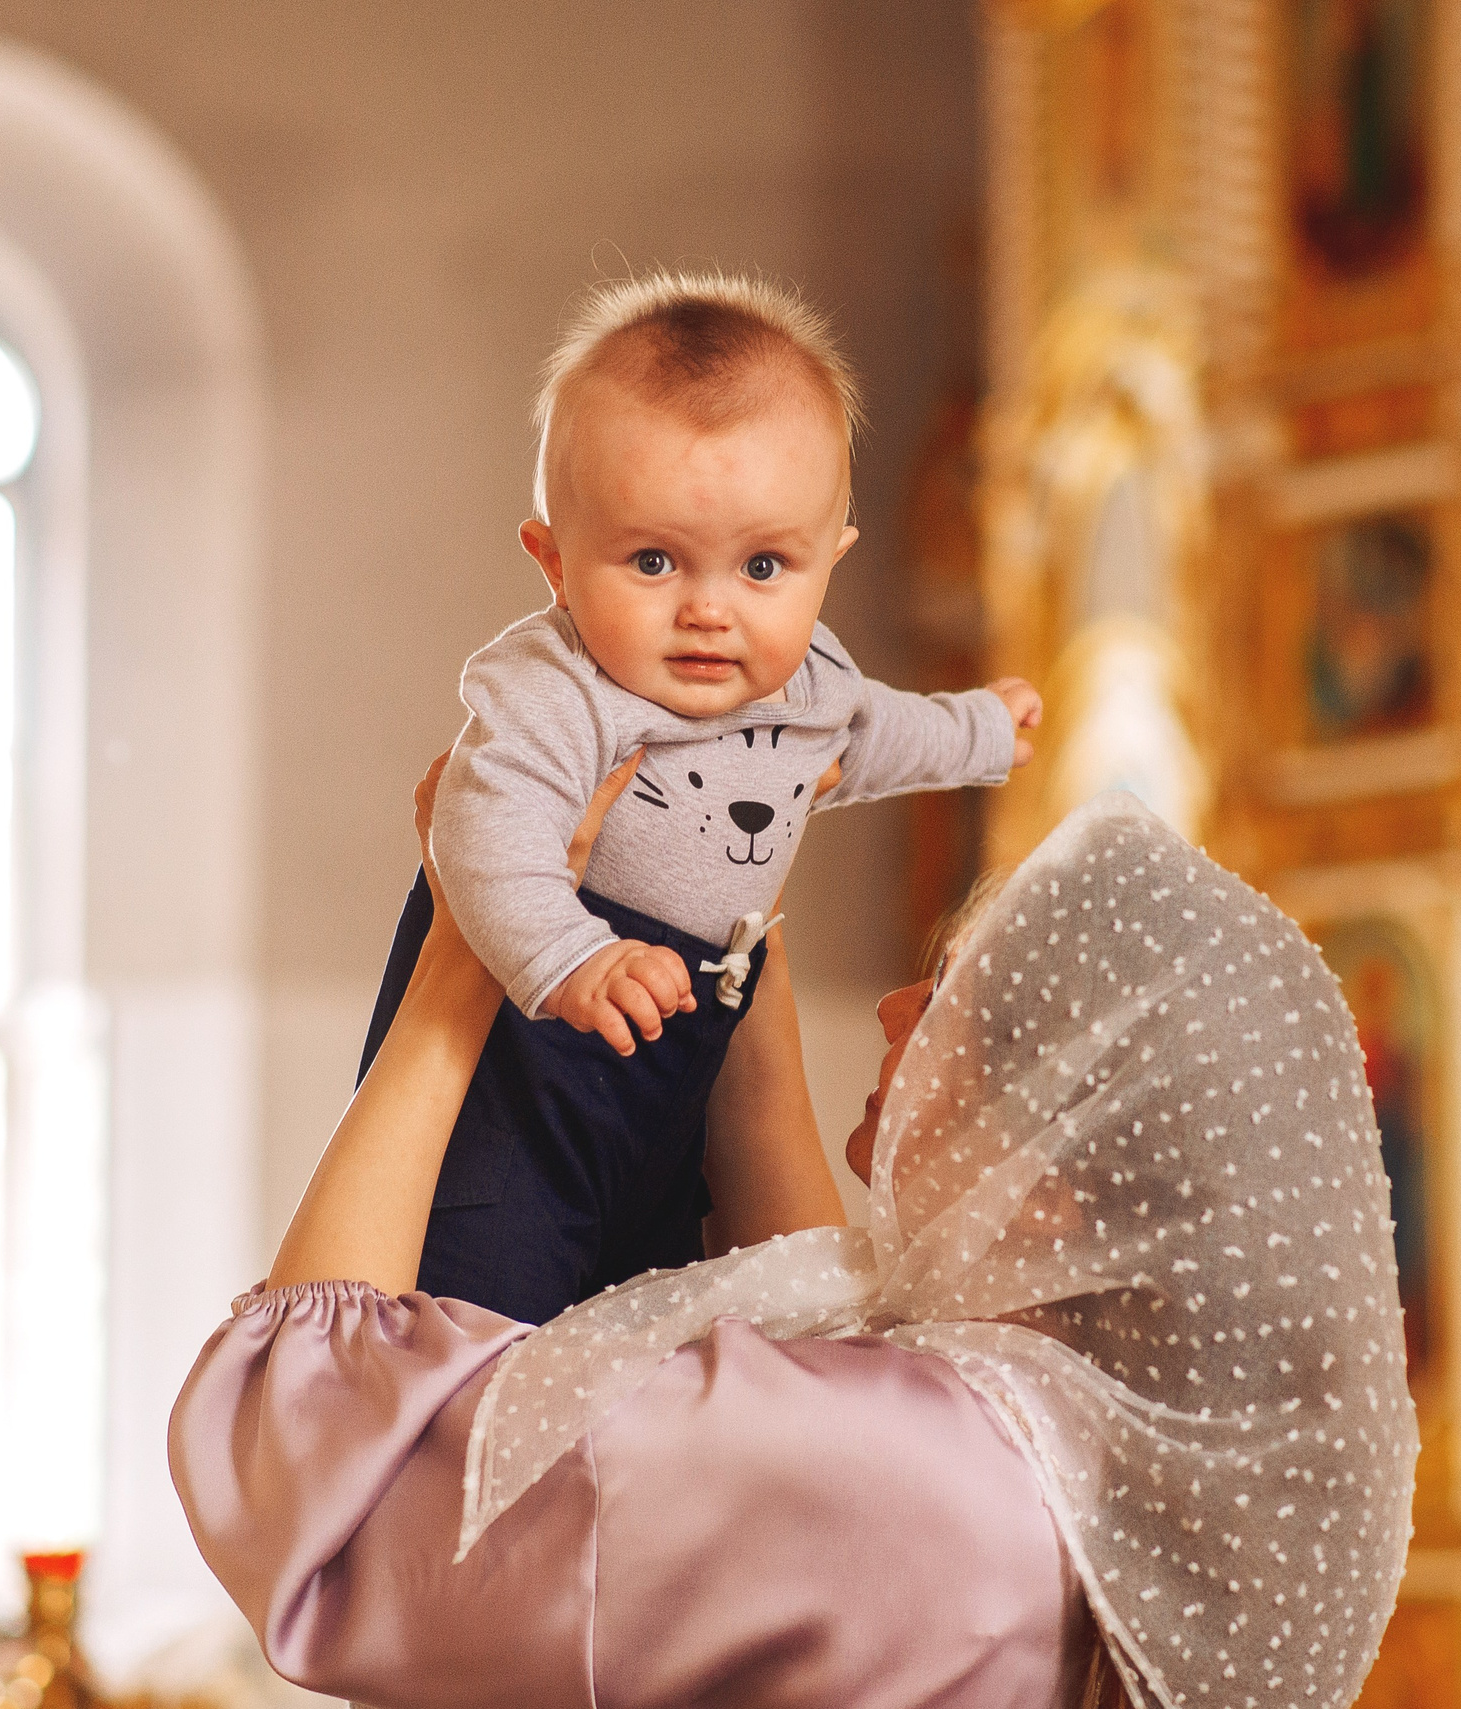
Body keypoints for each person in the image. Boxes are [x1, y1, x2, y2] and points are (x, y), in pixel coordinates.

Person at [174, 766, 1416, 1709]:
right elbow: (821, 1326)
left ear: (1052, 1184)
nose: (894, 1006)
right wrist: (744, 938)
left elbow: (333, 1498)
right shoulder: (1082, 1477)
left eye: (956, 992)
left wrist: (462, 948)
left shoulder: (927, 1476)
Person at [362, 270, 1043, 1324]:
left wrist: (982, 730)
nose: (709, 611)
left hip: (680, 1056)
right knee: (488, 1312)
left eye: (764, 566)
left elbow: (875, 733)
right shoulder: (559, 686)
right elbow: (481, 833)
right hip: (525, 1060)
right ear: (553, 562)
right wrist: (571, 958)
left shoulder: (810, 683)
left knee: (650, 1299)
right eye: (653, 561)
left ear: (829, 561)